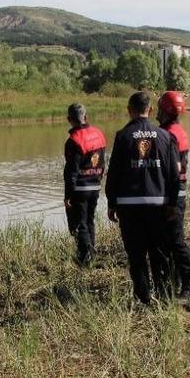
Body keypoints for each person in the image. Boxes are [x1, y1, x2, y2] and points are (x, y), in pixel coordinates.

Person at [105, 91, 190, 306]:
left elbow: (114, 172)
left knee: (136, 255)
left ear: (129, 110)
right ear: (151, 110)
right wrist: (172, 202)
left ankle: (143, 297)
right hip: (158, 204)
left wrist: (111, 202)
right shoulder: (165, 137)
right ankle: (164, 296)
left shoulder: (122, 136)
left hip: (129, 206)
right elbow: (174, 175)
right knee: (159, 252)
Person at [63, 103, 107, 266]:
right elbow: (103, 161)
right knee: (89, 220)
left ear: (69, 120)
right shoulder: (99, 134)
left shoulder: (73, 140)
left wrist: (68, 195)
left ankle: (85, 256)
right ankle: (91, 252)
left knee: (79, 223)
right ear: (86, 117)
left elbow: (71, 171)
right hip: (95, 186)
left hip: (80, 188)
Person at [157, 91, 189, 231]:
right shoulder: (181, 131)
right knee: (175, 234)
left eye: (159, 109)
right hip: (180, 188)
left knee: (171, 239)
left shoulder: (165, 133)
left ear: (164, 111)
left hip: (169, 192)